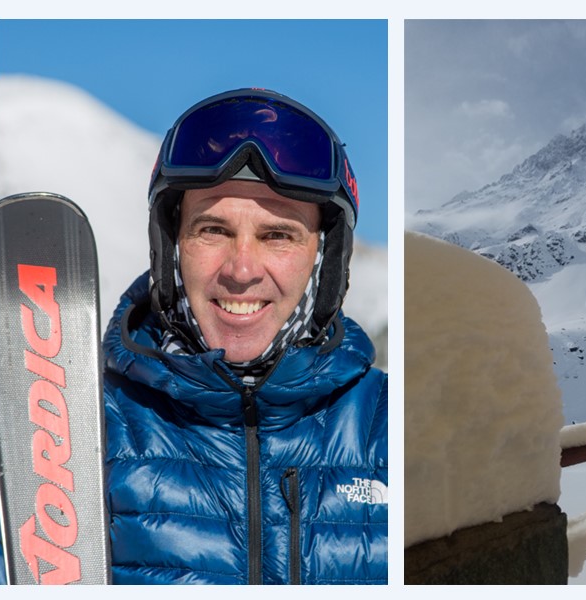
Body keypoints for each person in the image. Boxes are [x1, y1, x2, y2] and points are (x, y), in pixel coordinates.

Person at [99, 89, 388, 584]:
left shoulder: (391, 425)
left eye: (278, 235)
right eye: (212, 229)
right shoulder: (75, 424)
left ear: (325, 260)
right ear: (172, 248)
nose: (242, 269)